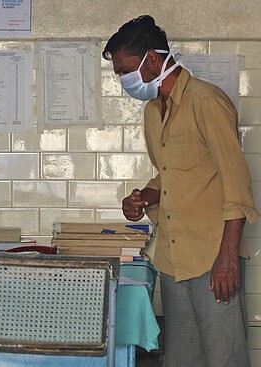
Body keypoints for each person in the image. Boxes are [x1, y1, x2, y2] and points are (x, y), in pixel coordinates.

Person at [103, 15, 259, 367]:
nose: (123, 81)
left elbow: (237, 185)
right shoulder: (152, 112)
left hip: (212, 258)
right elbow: (170, 176)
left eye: (125, 72)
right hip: (174, 259)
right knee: (180, 359)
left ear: (152, 60)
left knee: (225, 358)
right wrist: (145, 196)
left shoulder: (206, 102)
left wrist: (227, 259)